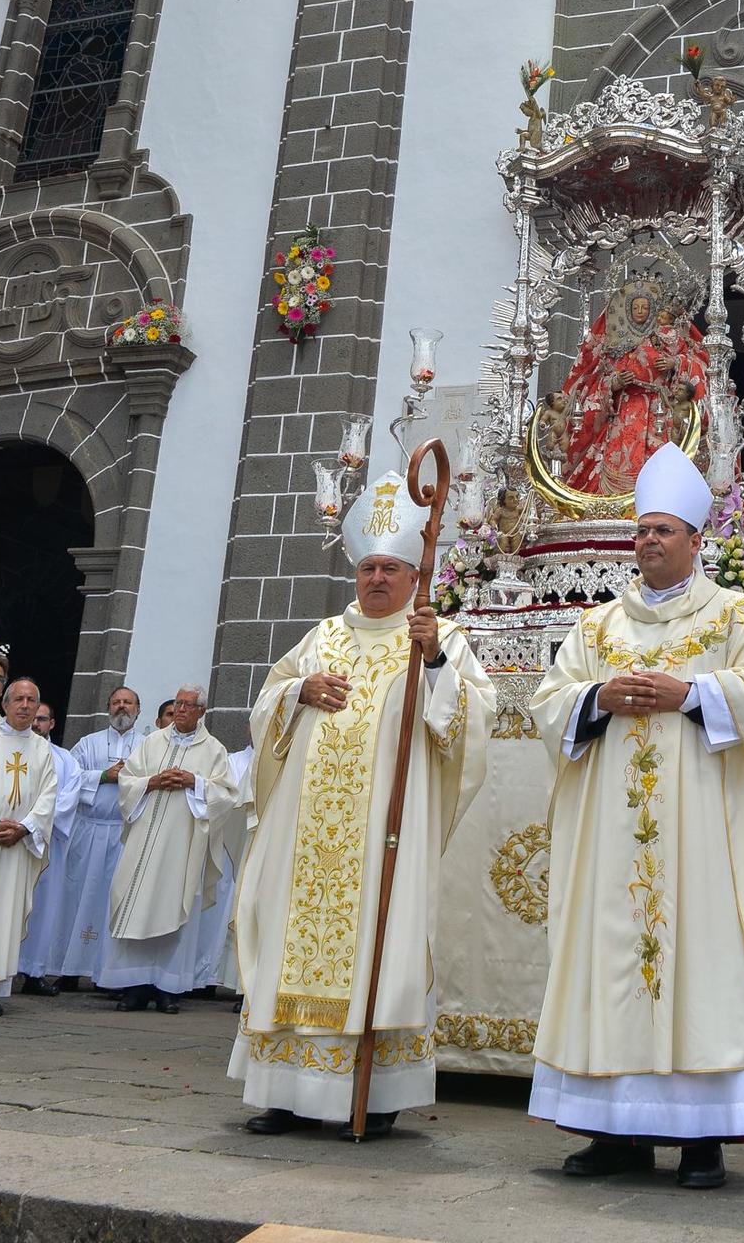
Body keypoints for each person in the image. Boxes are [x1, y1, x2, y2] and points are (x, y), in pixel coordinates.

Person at [529, 441, 744, 1190]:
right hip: (612, 841)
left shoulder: (738, 614)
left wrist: (692, 696)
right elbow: (552, 702)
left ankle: (702, 1138)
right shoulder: (597, 627)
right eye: (640, 529)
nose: (647, 540)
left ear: (694, 541)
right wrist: (596, 699)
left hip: (704, 834)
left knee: (700, 963)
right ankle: (613, 1134)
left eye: (662, 530)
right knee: (610, 962)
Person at [230, 471, 493, 1139]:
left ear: (413, 576)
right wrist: (296, 693)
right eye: (368, 567)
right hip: (306, 834)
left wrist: (432, 663)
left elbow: (468, 720)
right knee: (293, 938)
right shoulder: (320, 637)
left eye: (390, 568)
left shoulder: (438, 638)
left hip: (384, 836)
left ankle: (371, 1097)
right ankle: (285, 1093)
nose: (376, 579)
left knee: (383, 947)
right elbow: (266, 707)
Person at [98, 686, 238, 1014]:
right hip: (144, 841)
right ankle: (133, 987)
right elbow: (128, 779)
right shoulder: (152, 742)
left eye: (189, 705)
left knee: (174, 908)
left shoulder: (214, 751)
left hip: (182, 846)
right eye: (178, 703)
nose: (182, 710)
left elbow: (226, 795)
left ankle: (167, 988)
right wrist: (152, 782)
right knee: (133, 903)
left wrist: (195, 783)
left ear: (202, 711)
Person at [560, 250, 707, 494]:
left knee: (664, 467)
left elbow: (699, 364)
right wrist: (614, 383)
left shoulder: (670, 338)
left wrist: (675, 364)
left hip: (660, 412)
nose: (640, 311)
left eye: (645, 307)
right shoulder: (612, 346)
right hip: (623, 411)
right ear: (626, 311)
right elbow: (593, 382)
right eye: (635, 307)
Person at [55, 684, 143, 985]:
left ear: (138, 710)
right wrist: (104, 776)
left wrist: (129, 778)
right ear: (108, 708)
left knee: (115, 901)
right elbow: (70, 779)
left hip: (123, 833)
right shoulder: (87, 743)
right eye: (116, 702)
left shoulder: (147, 745)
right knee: (78, 896)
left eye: (128, 702)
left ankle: (106, 973)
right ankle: (68, 969)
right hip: (89, 830)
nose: (122, 707)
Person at [0, 676, 59, 1015]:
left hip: (17, 847)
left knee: (5, 915)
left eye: (32, 701)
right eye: (19, 699)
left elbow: (48, 797)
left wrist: (25, 827)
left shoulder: (42, 748)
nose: (26, 706)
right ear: (5, 703)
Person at [17, 703, 81, 995]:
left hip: (47, 841)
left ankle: (33, 971)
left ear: (52, 724)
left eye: (42, 719)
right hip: (9, 839)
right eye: (33, 718)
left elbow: (68, 800)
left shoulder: (65, 760)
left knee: (42, 906)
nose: (36, 723)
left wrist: (30, 825)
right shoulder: (9, 750)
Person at [195, 740, 254, 999]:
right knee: (217, 913)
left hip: (257, 844)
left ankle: (244, 986)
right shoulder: (231, 761)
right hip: (227, 844)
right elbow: (218, 794)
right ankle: (206, 976)